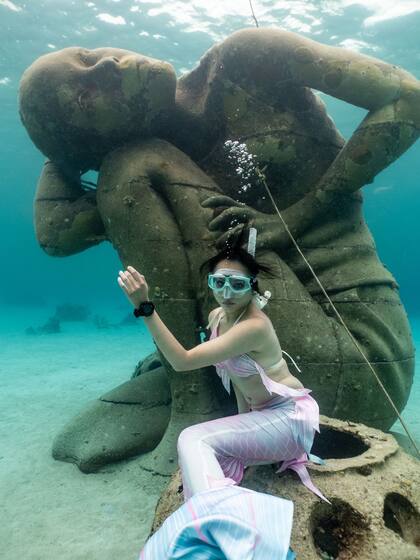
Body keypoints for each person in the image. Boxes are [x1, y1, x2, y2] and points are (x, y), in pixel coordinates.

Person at [117, 232, 328, 504]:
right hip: (263, 420)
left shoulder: (254, 327)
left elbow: (181, 361)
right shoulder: (218, 317)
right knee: (205, 449)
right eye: (218, 282)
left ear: (252, 285)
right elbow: (241, 383)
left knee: (193, 439)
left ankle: (218, 519)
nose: (226, 293)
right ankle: (218, 508)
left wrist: (145, 307)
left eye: (237, 285)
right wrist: (242, 435)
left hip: (289, 421)